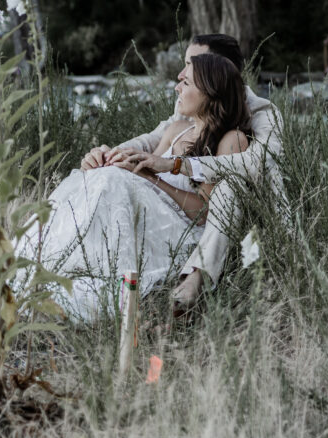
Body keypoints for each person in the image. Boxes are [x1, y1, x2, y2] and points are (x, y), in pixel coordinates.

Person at [17, 51, 252, 323]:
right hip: (148, 214)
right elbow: (144, 170)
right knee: (101, 177)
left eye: (186, 84)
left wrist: (151, 177)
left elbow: (205, 212)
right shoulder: (177, 129)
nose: (177, 87)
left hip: (177, 229)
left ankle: (66, 278)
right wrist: (111, 160)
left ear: (211, 93)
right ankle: (42, 261)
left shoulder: (230, 139)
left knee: (111, 182)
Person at [80, 34, 282, 315]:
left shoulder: (262, 114)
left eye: (189, 67)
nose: (180, 76)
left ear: (215, 73)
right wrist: (109, 155)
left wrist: (175, 167)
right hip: (168, 202)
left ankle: (196, 276)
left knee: (230, 185)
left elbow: (254, 164)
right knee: (104, 179)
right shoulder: (186, 115)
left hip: (228, 211)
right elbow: (152, 141)